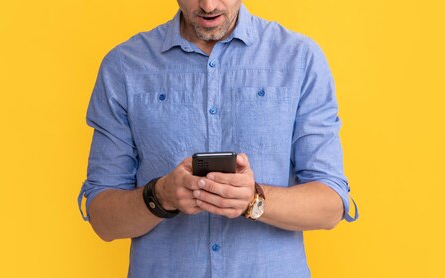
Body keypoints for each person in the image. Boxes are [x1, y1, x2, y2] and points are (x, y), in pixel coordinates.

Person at [77, 0, 358, 276]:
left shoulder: (299, 59)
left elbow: (331, 204)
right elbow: (103, 219)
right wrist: (161, 195)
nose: (209, 6)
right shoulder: (124, 66)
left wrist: (254, 200)